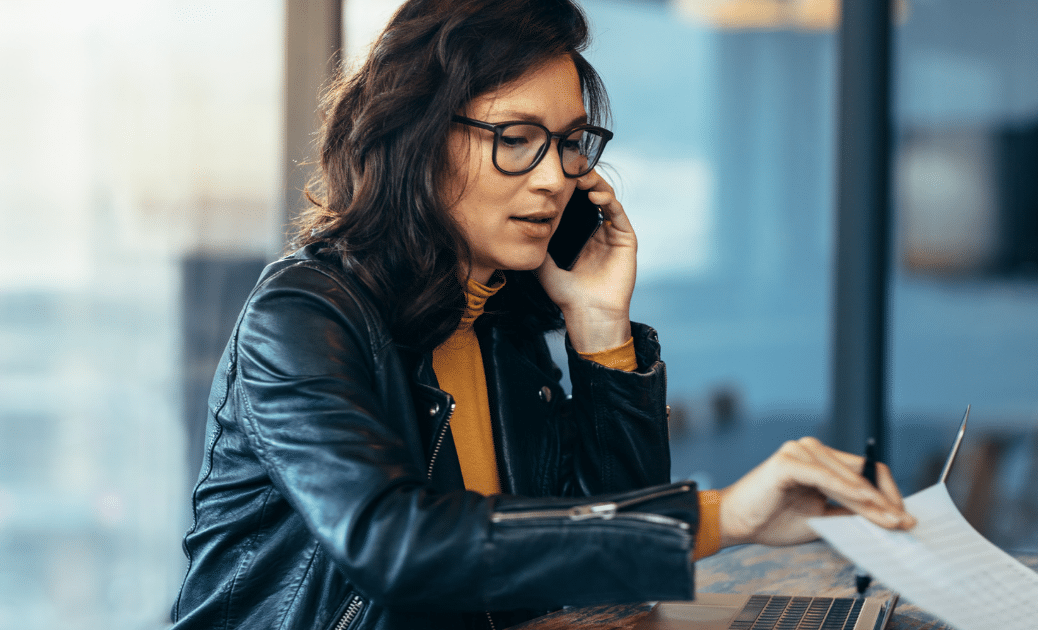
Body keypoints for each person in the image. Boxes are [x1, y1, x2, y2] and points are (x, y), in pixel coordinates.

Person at [170, 1, 915, 629]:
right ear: (416, 139)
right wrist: (715, 517)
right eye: (517, 140)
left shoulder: (500, 324)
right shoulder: (303, 313)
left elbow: (606, 579)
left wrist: (600, 331)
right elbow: (395, 545)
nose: (557, 176)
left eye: (568, 144)